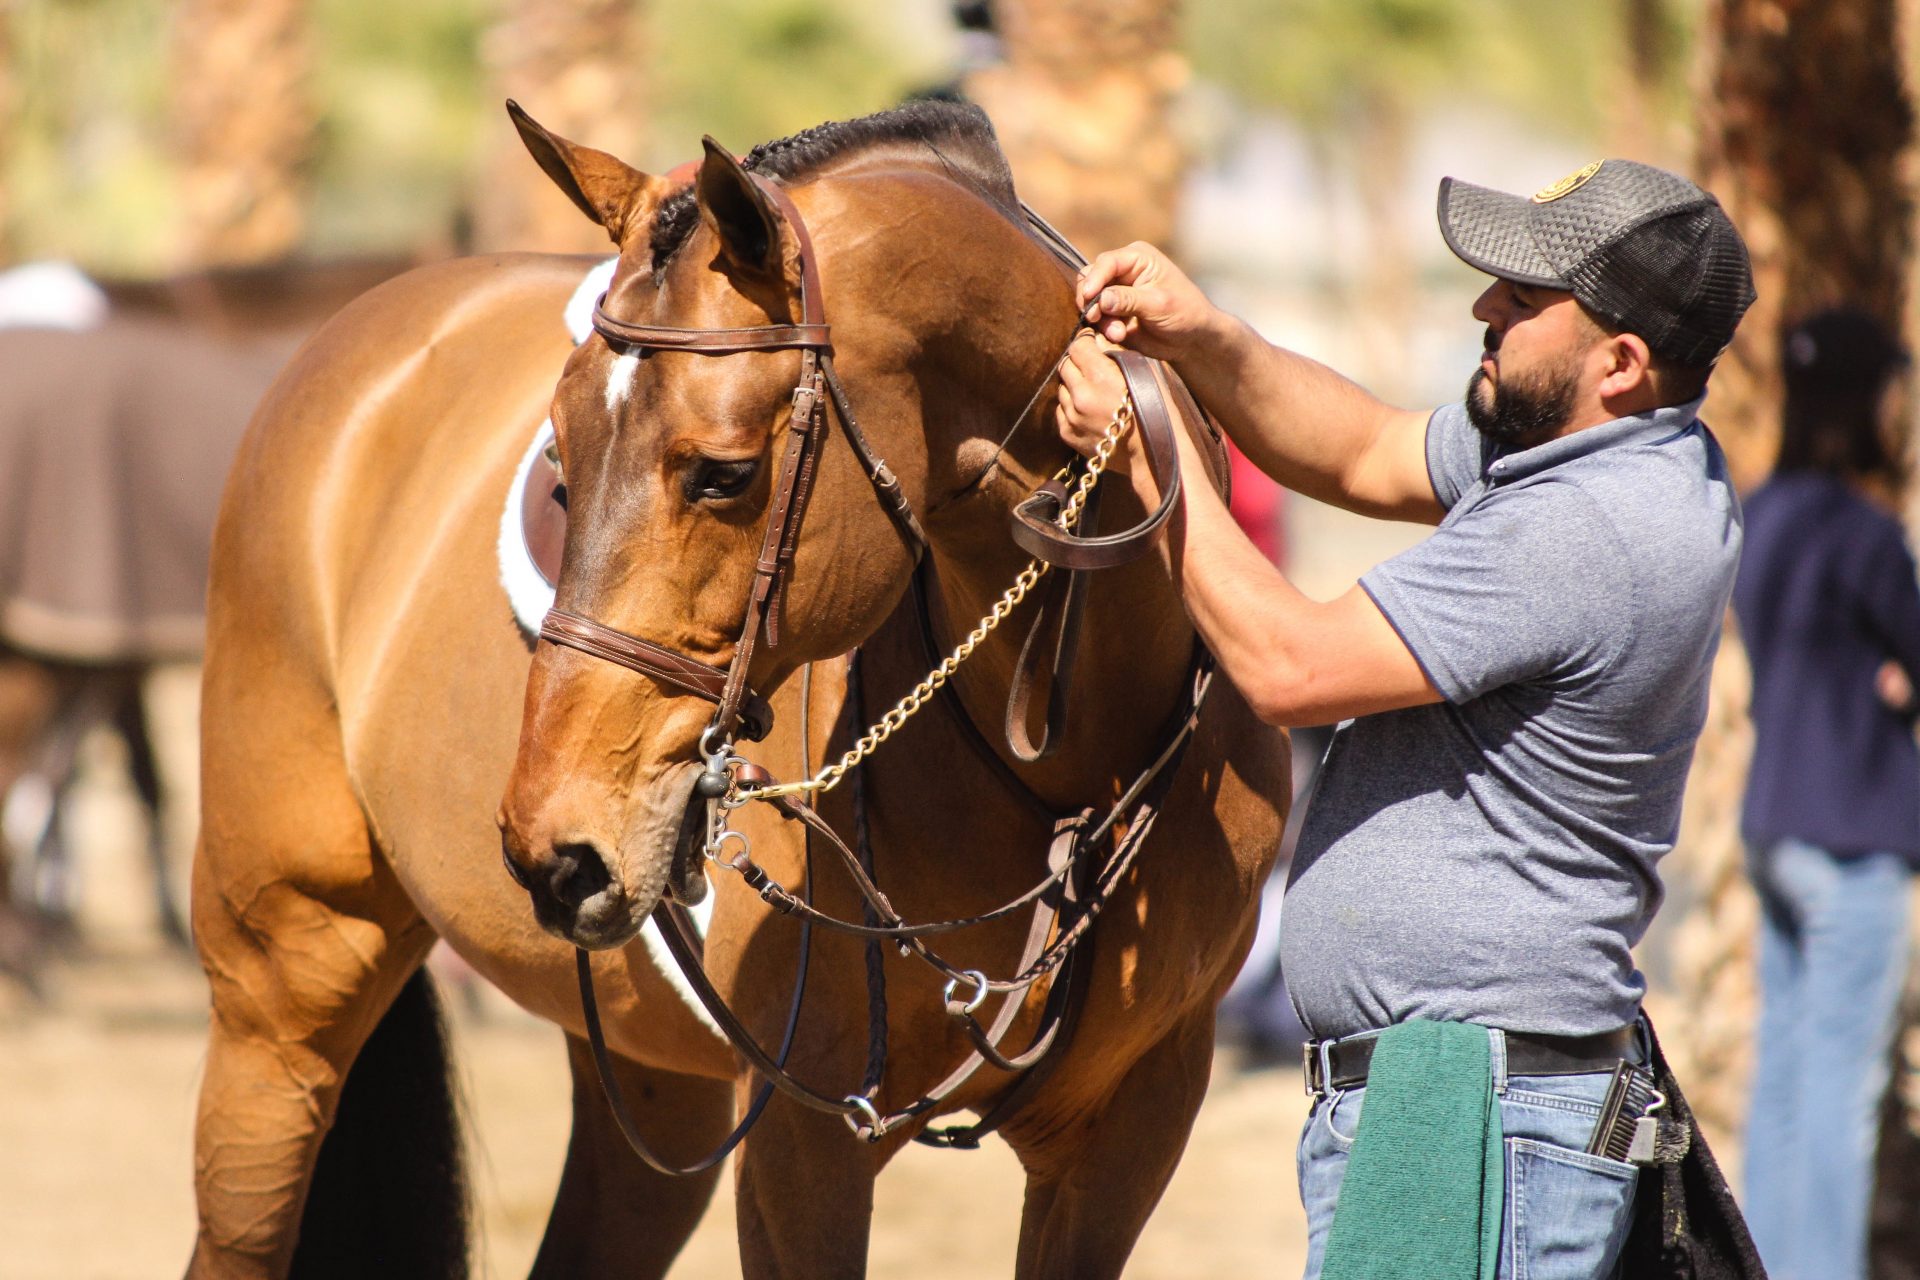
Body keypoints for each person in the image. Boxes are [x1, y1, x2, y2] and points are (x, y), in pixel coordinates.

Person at [1054, 159, 1755, 1279]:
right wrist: (1206, 340)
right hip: (1474, 1093)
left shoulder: (1589, 527)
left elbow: (1287, 665)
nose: (1484, 308)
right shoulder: (1607, 448)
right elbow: (1365, 447)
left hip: (1471, 1111)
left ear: (1620, 363)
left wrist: (1152, 457)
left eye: (1523, 302)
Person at [1732, 306, 1920, 1280]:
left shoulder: (1759, 514)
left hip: (1773, 826)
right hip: (1853, 837)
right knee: (1841, 1096)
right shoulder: (1865, 534)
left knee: (1788, 1081)